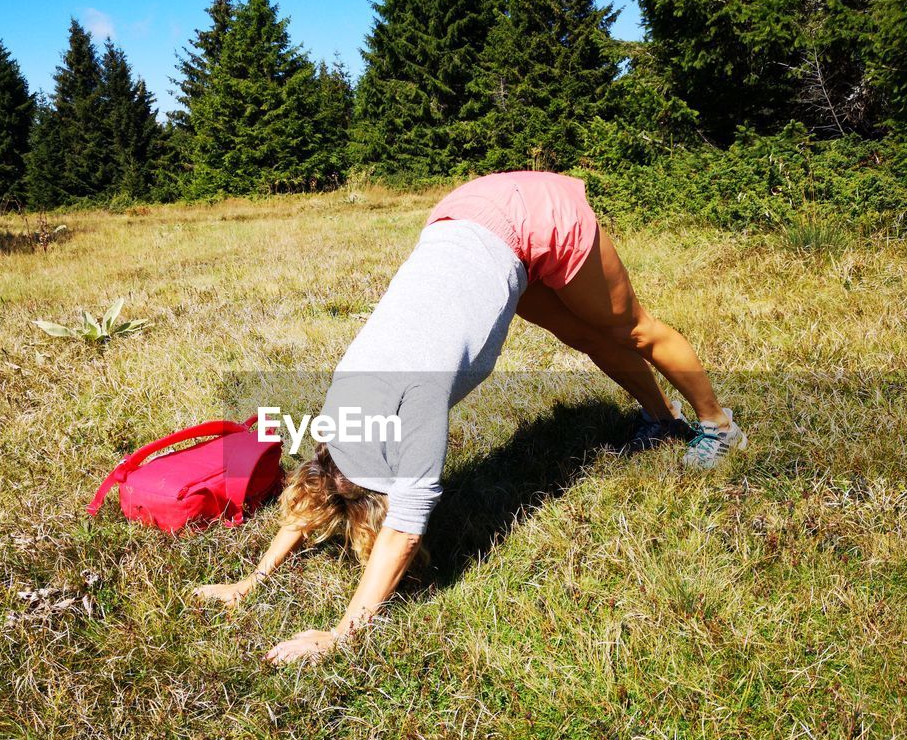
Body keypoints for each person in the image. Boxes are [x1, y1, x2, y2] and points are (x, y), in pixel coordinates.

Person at [195, 171, 747, 664]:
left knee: (629, 329)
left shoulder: (419, 405)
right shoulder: (344, 406)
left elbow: (406, 532)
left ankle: (717, 424)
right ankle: (660, 418)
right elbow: (317, 486)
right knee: (580, 333)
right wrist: (252, 581)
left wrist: (343, 633)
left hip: (532, 215)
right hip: (468, 218)